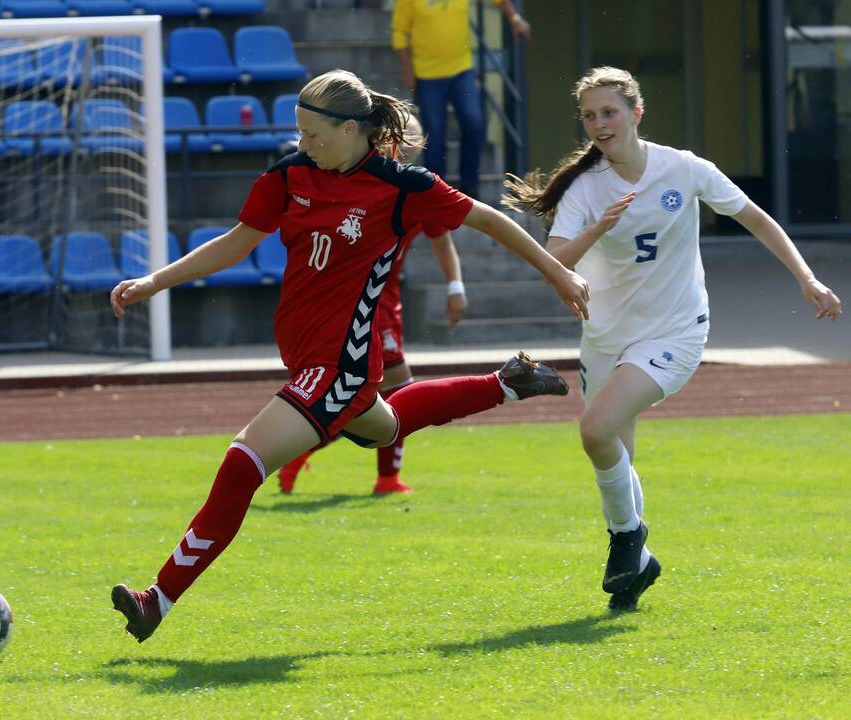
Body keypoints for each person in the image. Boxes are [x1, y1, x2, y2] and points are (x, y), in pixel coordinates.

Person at [108, 69, 589, 644]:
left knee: (243, 464)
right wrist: (155, 281)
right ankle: (509, 382)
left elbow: (487, 219)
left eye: (313, 135)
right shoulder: (289, 176)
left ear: (352, 128)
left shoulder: (403, 186)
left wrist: (558, 272)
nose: (302, 145)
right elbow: (237, 241)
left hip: (341, 363)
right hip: (307, 356)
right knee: (384, 428)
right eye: (299, 133)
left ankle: (156, 600)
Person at [503, 66, 842, 612]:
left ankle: (625, 541)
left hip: (676, 331)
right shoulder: (588, 188)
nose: (599, 124)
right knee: (612, 452)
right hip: (606, 335)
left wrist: (807, 278)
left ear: (637, 113)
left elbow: (757, 219)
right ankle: (636, 565)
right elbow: (555, 260)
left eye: (609, 112)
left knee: (593, 429)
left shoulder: (683, 169)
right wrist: (597, 229)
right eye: (589, 116)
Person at [277, 117, 469, 496]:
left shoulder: (415, 187)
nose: (410, 150)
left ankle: (337, 459)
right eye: (404, 143)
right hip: (366, 305)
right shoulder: (367, 185)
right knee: (391, 395)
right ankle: (371, 473)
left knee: (372, 398)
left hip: (386, 301)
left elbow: (443, 239)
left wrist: (455, 286)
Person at [391, 0, 531, 200]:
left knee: (474, 124)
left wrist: (515, 19)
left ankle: (469, 188)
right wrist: (407, 71)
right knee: (434, 137)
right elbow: (399, 33)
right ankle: (436, 193)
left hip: (461, 71)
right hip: (427, 75)